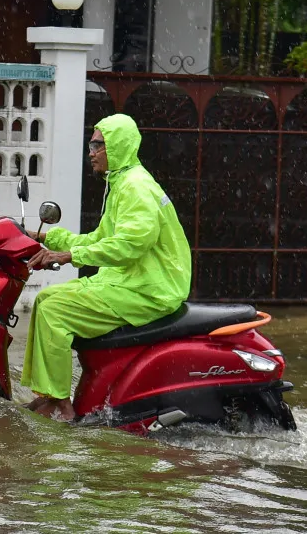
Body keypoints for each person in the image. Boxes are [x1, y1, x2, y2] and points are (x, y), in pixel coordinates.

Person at [21, 113, 193, 421]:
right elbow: (99, 239)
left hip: (148, 289)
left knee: (54, 309)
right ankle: (49, 393)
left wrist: (67, 257)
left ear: (118, 145)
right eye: (90, 144)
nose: (91, 151)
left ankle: (62, 404)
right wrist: (46, 238)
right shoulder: (122, 183)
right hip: (128, 281)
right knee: (45, 300)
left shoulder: (136, 188)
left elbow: (129, 245)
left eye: (97, 144)